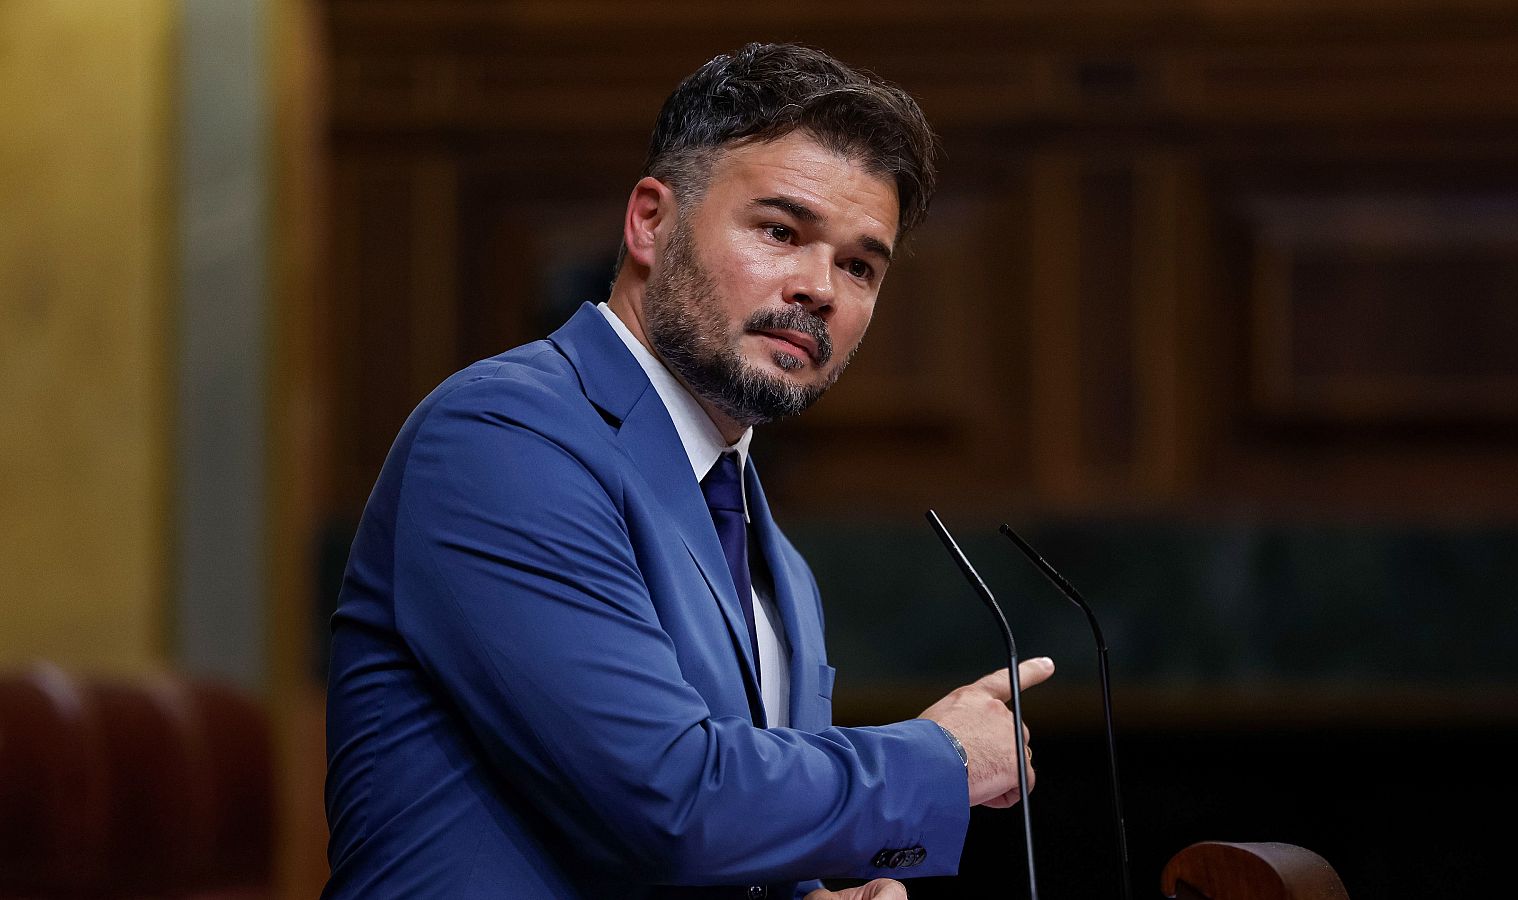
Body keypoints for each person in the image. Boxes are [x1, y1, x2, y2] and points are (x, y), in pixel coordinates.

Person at [322, 42, 1054, 900]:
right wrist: (942, 760)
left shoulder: (776, 555)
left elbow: (714, 846)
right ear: (649, 222)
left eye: (859, 265)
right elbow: (669, 802)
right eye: (780, 231)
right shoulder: (502, 438)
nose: (820, 288)